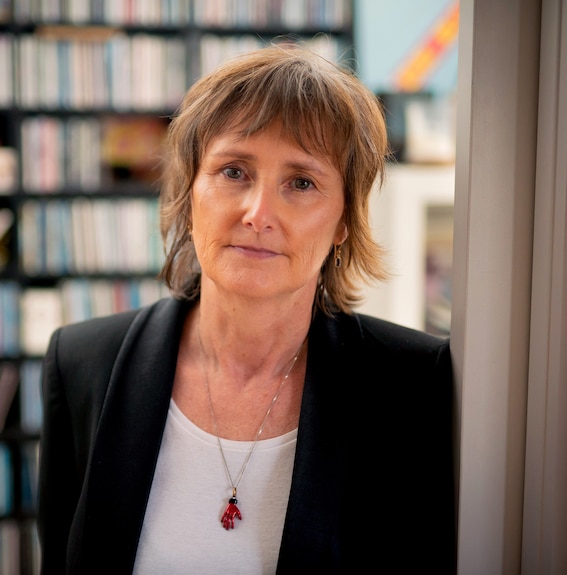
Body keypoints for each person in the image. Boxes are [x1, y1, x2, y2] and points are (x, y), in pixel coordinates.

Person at [37, 43, 455, 574]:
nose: (258, 213)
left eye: (300, 182)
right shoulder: (80, 364)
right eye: (233, 171)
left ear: (345, 220)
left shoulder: (413, 385)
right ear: (190, 193)